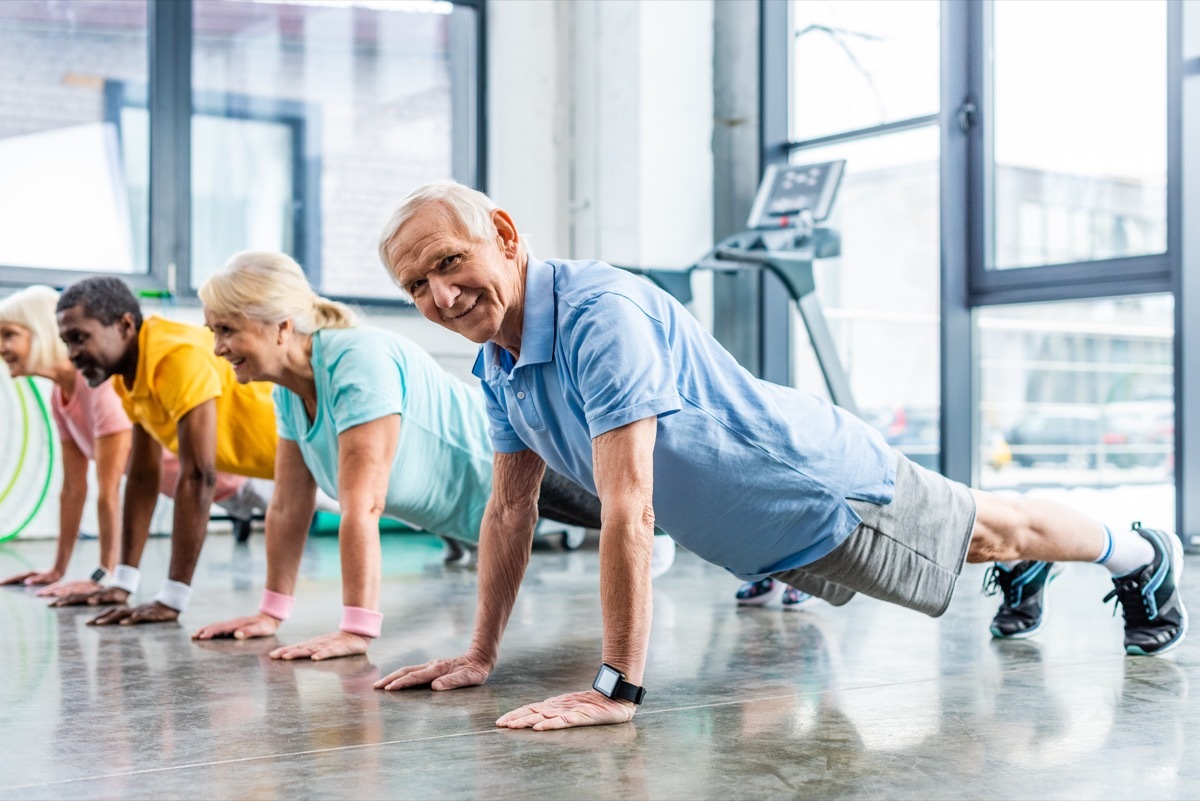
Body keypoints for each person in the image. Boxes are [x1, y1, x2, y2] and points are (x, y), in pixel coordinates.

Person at [371, 180, 1186, 731]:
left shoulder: (596, 317)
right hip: (758, 532)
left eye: (449, 262)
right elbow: (510, 508)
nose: (440, 297)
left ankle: (1145, 553)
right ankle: (1048, 566)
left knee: (991, 531)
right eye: (416, 285)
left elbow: (632, 508)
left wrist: (615, 685)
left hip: (816, 487)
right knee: (984, 534)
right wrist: (480, 654)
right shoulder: (500, 364)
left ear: (504, 237)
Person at [191, 251, 667, 660]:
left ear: (281, 326)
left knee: (653, 524)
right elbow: (288, 506)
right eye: (214, 332)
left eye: (228, 330)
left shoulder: (357, 361)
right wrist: (270, 613)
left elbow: (364, 506)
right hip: (470, 510)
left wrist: (356, 629)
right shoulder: (288, 392)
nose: (217, 348)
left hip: (517, 465)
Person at [0, 285, 265, 598]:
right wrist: (57, 571)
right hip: (215, 489)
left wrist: (106, 575)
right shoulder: (64, 398)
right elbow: (76, 488)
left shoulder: (102, 388)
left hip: (245, 476)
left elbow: (111, 489)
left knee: (324, 500)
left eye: (8, 335)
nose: (1, 347)